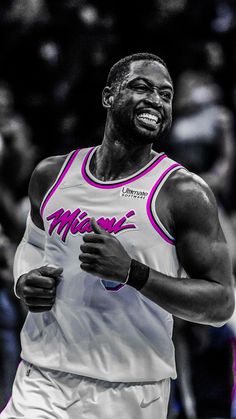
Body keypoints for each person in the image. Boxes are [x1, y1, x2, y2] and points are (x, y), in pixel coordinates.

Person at [1, 52, 234, 419]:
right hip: (42, 380)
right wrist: (24, 280)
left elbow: (220, 303)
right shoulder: (51, 174)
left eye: (167, 94)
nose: (156, 100)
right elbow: (32, 244)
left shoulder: (184, 193)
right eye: (142, 87)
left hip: (130, 393)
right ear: (109, 96)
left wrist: (133, 273)